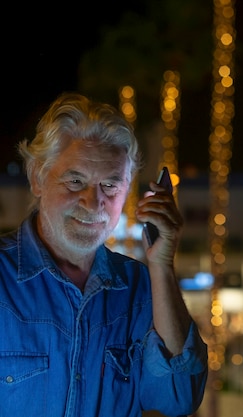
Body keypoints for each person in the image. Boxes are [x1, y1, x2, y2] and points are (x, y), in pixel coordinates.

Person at [0, 93, 208, 416]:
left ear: (127, 188)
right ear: (36, 178)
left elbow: (178, 396)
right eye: (75, 181)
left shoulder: (141, 287)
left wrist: (162, 266)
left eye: (110, 186)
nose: (92, 201)